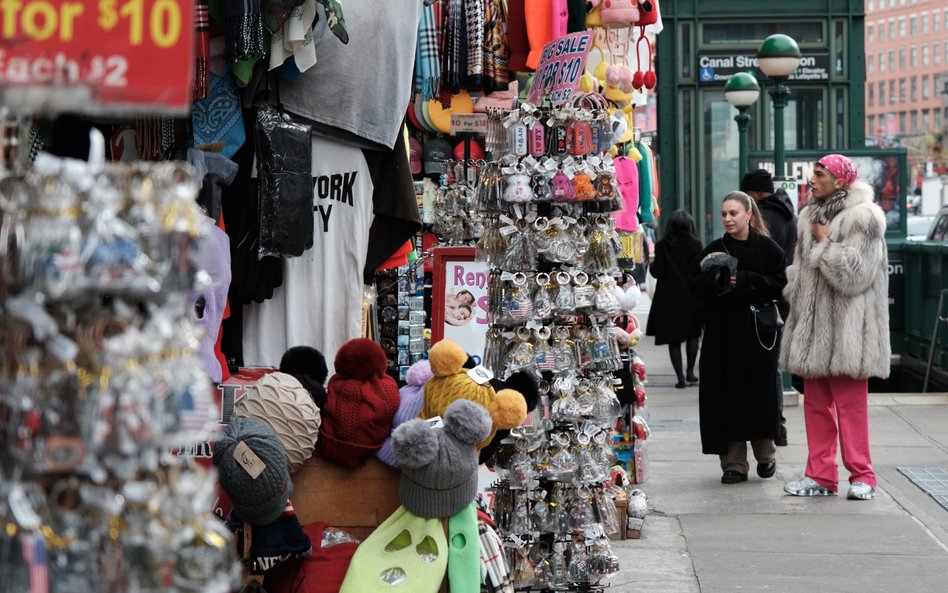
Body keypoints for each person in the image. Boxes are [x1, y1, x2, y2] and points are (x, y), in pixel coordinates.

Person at [781, 154, 890, 501]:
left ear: (840, 181)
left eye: (819, 174)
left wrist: (826, 243)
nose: (811, 179)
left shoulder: (865, 216)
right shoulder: (809, 216)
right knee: (815, 406)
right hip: (814, 330)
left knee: (850, 408)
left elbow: (855, 275)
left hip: (848, 332)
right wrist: (795, 288)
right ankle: (821, 475)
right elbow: (802, 269)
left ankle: (863, 476)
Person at [690, 192, 787, 484]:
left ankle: (765, 455)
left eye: (733, 213)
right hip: (722, 336)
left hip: (758, 336)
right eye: (724, 214)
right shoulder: (714, 249)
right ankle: (733, 464)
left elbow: (781, 285)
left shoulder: (769, 249)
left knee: (759, 395)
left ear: (748, 214)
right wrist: (713, 282)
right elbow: (694, 287)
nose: (728, 219)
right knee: (725, 398)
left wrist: (742, 281)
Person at [740, 168, 799, 447]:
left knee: (765, 366)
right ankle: (777, 425)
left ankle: (775, 426)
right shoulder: (788, 214)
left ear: (755, 194)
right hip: (784, 296)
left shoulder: (765, 218)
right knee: (771, 364)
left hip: (765, 298)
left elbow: (758, 260)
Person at [646, 210, 703, 389]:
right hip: (692, 297)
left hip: (669, 298)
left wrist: (652, 262)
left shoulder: (663, 245)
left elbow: (657, 272)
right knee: (693, 335)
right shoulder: (696, 244)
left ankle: (680, 377)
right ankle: (690, 373)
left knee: (674, 340)